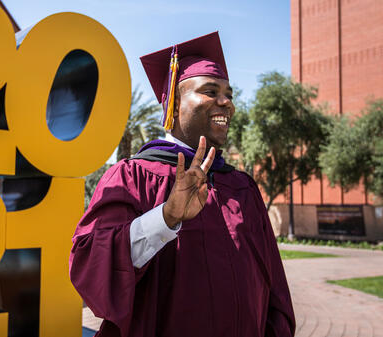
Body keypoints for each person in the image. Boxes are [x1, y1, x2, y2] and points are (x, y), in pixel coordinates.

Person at [69, 32, 295, 337]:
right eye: (210, 90)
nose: (226, 103)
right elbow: (90, 265)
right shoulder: (132, 177)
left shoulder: (242, 188)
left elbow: (274, 290)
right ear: (173, 104)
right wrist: (165, 217)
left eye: (229, 94)